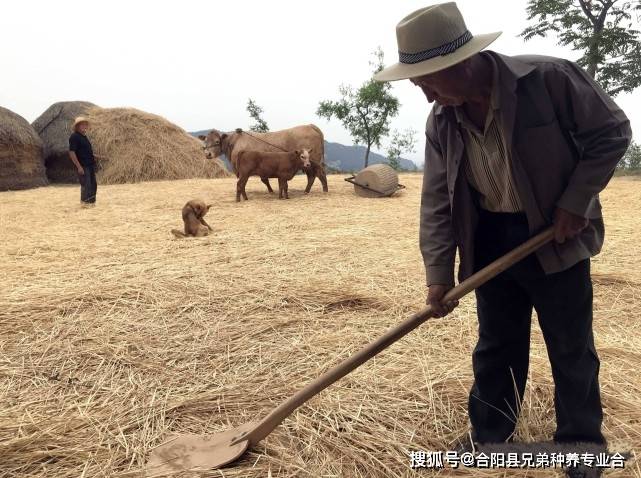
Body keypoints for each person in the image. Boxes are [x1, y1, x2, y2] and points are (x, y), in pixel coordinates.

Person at [374, 3, 631, 476]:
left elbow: (612, 132)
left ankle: (581, 444)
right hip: (490, 239)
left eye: (428, 81)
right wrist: (438, 275)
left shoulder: (548, 80)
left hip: (553, 235)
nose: (427, 96)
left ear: (461, 63)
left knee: (570, 345)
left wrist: (575, 202)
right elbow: (437, 201)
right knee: (497, 343)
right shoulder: (442, 122)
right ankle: (491, 435)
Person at [68, 116, 97, 205]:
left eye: (85, 125)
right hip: (83, 166)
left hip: (90, 165)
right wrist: (79, 166)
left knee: (93, 185)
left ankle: (91, 204)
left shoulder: (84, 137)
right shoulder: (74, 136)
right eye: (82, 125)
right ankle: (85, 204)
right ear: (77, 126)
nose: (84, 126)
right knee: (86, 185)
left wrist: (98, 156)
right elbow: (72, 152)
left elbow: (86, 152)